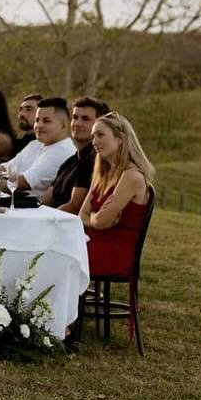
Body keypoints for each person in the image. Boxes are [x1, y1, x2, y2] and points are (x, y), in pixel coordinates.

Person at [78, 112, 153, 278]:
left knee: (61, 255)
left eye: (100, 135)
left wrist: (95, 219)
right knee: (52, 248)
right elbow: (82, 216)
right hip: (92, 240)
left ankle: (62, 303)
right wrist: (96, 219)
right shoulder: (101, 173)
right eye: (93, 136)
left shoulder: (131, 175)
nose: (94, 142)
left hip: (116, 251)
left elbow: (102, 221)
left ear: (120, 139)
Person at [0, 96, 77, 201]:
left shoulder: (62, 151)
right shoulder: (35, 144)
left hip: (34, 212)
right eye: (37, 120)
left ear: (63, 126)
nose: (38, 125)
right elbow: (6, 168)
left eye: (46, 121)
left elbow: (22, 183)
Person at [52, 97, 111, 212]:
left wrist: (42, 220)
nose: (77, 123)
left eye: (85, 119)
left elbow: (74, 207)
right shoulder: (68, 163)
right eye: (75, 117)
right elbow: (47, 199)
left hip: (68, 226)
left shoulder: (94, 161)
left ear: (100, 125)